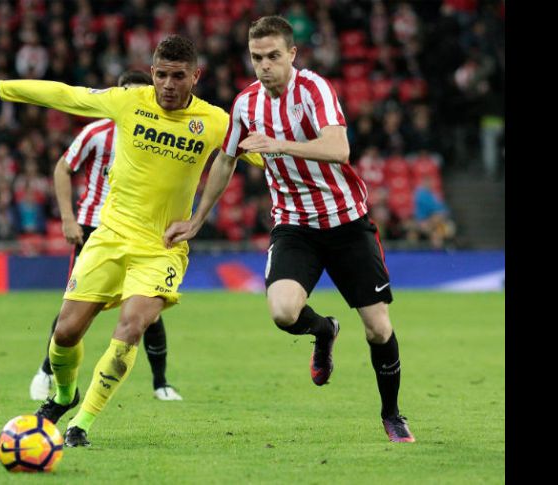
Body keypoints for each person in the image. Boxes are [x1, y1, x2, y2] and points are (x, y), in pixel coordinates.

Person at [0, 35, 262, 447]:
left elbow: (264, 154)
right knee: (65, 333)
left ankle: (81, 423)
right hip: (109, 237)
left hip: (160, 248)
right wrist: (4, 89)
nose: (168, 85)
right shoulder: (128, 101)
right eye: (162, 75)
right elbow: (66, 95)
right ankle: (64, 396)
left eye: (178, 76)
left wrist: (302, 152)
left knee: (131, 327)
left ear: (195, 76)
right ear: (152, 72)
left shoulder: (215, 121)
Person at [164, 16, 415, 443]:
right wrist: (197, 219)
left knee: (378, 328)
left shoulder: (314, 89)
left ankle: (391, 414)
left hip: (346, 223)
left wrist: (279, 144)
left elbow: (339, 148)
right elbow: (225, 159)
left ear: (292, 54)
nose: (264, 65)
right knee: (282, 311)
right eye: (257, 57)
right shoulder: (246, 104)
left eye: (273, 56)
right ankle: (325, 330)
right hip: (295, 226)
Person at [29, 70, 183, 403]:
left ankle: (161, 383)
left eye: (140, 93)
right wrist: (68, 219)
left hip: (141, 231)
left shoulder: (160, 136)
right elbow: (62, 168)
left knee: (147, 310)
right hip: (95, 228)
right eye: (127, 92)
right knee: (76, 309)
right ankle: (46, 371)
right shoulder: (96, 133)